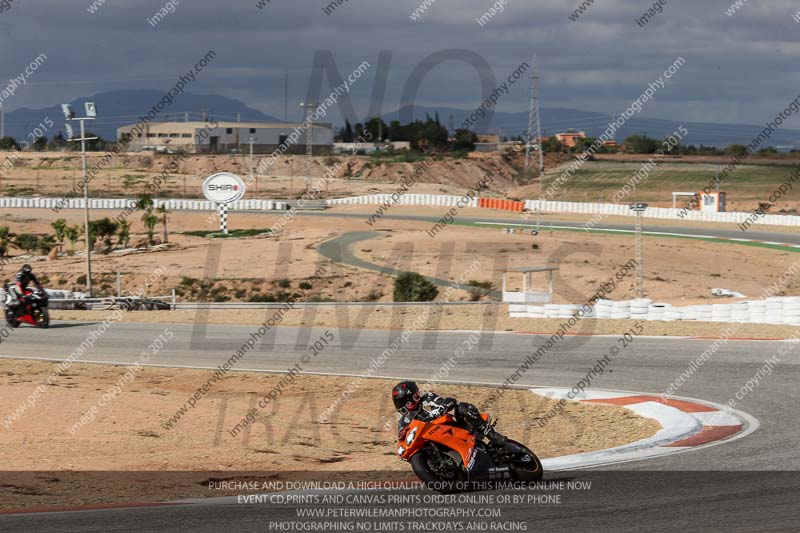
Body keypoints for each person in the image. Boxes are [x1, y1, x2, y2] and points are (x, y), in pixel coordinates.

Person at [392, 380, 507, 447]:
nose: (418, 396)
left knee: (462, 408)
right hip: (434, 443)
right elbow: (403, 440)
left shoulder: (427, 399)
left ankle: (492, 435)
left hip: (455, 429)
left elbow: (450, 401)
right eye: (416, 395)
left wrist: (442, 408)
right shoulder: (405, 421)